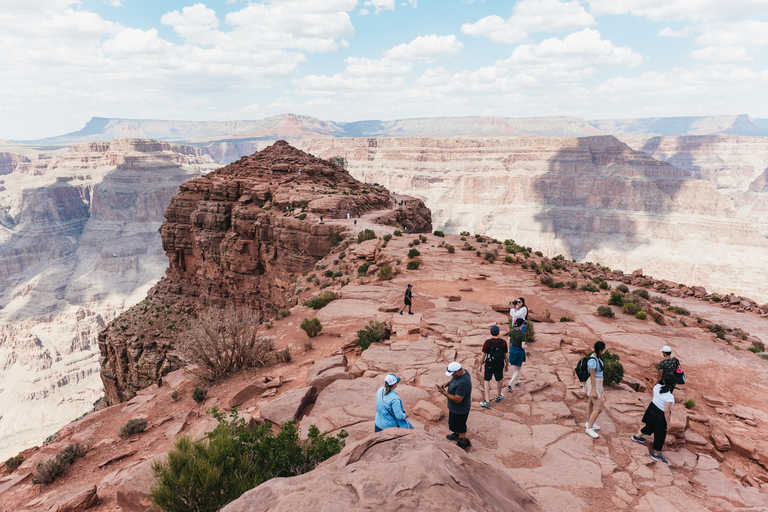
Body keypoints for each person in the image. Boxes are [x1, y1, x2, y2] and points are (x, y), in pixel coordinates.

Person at [632, 372, 676, 464]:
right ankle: (655, 454)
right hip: (660, 415)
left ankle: (637, 436)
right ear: (673, 384)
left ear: (663, 380)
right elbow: (666, 411)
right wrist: (668, 424)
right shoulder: (670, 397)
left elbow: (653, 397)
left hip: (652, 408)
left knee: (650, 425)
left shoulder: (656, 387)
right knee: (660, 435)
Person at [437, 362, 472, 441]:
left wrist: (444, 393)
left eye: (452, 374)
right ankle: (456, 435)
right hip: (455, 408)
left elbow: (457, 399)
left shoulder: (463, 383)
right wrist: (447, 384)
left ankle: (462, 441)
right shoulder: (462, 372)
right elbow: (454, 380)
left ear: (457, 372)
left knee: (461, 426)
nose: (452, 376)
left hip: (460, 409)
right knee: (454, 424)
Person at [480, 325, 508, 407]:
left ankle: (487, 400)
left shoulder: (487, 342)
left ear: (491, 333)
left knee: (487, 380)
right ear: (498, 332)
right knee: (499, 379)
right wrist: (507, 365)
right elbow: (506, 355)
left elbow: (483, 356)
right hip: (499, 365)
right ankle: (498, 396)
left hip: (489, 365)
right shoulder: (503, 342)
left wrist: (480, 365)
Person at [584, 341, 607, 439]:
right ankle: (589, 428)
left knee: (590, 403)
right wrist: (594, 391)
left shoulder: (597, 357)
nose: (605, 350)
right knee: (598, 408)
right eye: (604, 349)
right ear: (600, 350)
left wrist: (601, 391)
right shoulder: (592, 360)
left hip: (598, 383)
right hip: (594, 384)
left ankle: (589, 423)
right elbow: (592, 377)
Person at [506, 318, 527, 392]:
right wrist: (526, 346)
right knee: (518, 369)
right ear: (521, 325)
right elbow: (523, 346)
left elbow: (508, 341)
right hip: (519, 352)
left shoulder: (511, 331)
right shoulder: (522, 335)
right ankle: (509, 384)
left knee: (515, 367)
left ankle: (516, 382)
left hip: (512, 350)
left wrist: (509, 350)